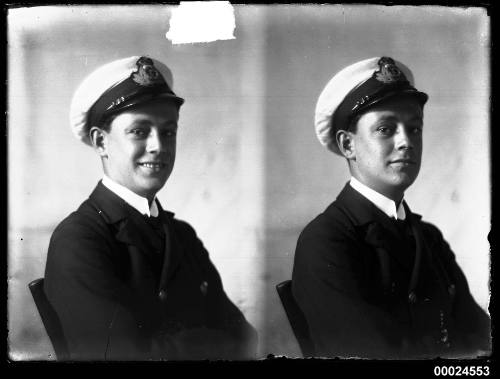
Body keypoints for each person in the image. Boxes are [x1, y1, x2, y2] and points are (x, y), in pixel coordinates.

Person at [43, 56, 257, 360]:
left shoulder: (181, 235)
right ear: (100, 142)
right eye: (139, 131)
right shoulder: (79, 240)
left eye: (168, 131)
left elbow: (245, 337)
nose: (158, 145)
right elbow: (123, 354)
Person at [291, 56, 490, 359]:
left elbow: (479, 331)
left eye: (414, 129)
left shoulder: (428, 237)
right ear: (348, 145)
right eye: (386, 129)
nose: (406, 142)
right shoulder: (326, 241)